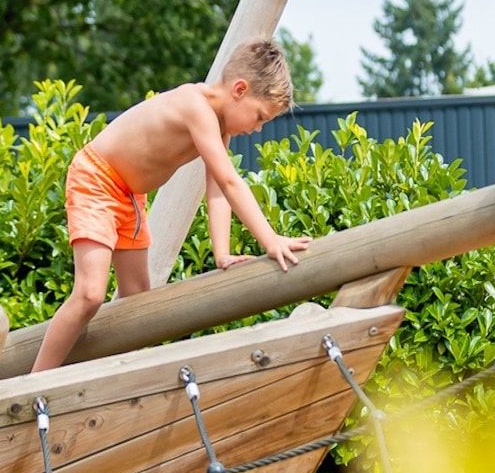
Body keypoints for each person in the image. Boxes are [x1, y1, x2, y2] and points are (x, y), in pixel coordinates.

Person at [30, 38, 309, 373]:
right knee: (90, 294)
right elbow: (232, 181)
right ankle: (34, 382)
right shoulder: (196, 105)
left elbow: (218, 189)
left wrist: (221, 253)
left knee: (136, 298)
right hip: (97, 178)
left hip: (128, 196)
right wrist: (271, 239)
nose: (258, 128)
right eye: (260, 115)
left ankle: (102, 373)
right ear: (239, 89)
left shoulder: (219, 127)